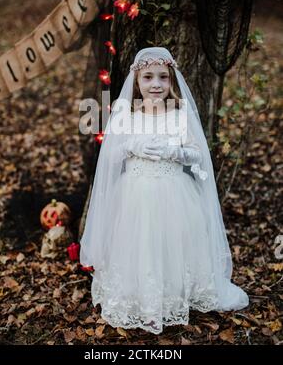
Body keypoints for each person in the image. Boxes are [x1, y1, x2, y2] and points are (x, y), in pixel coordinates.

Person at [80, 47, 249, 335]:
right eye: (148, 77)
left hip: (173, 192)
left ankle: (171, 297)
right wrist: (132, 146)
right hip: (134, 193)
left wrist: (177, 152)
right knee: (139, 243)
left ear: (171, 81)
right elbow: (108, 158)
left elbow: (198, 155)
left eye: (162, 77)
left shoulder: (179, 115)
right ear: (136, 82)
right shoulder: (126, 114)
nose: (156, 84)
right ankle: (141, 300)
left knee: (171, 244)